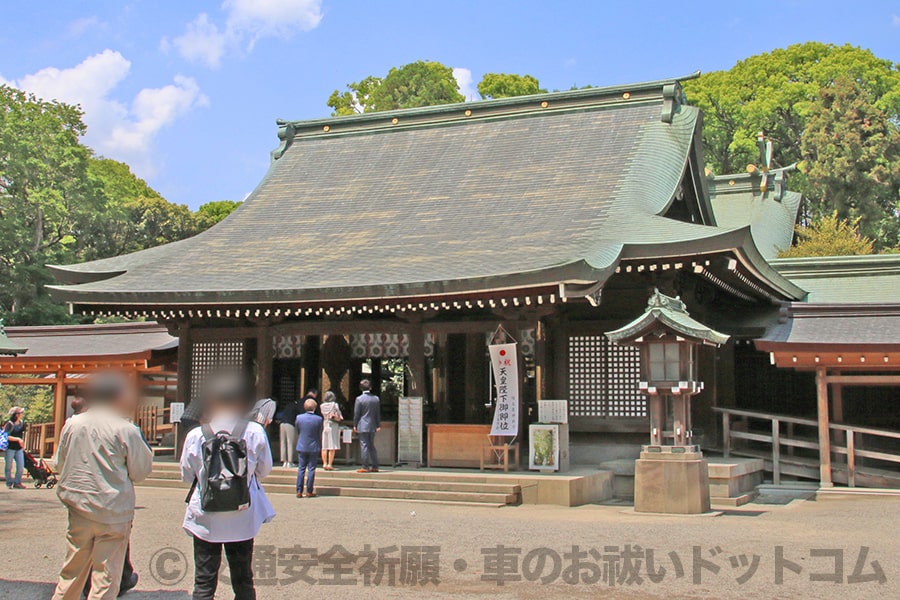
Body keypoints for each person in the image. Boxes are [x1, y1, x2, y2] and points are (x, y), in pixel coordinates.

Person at [51, 372, 153, 600]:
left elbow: (59, 463)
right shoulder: (125, 429)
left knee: (72, 572)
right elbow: (141, 471)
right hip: (112, 509)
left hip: (78, 505)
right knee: (105, 577)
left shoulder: (72, 424)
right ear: (118, 397)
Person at [181, 372, 275, 600]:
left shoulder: (196, 435)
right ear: (240, 402)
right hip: (242, 512)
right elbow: (265, 469)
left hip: (205, 513)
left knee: (204, 581)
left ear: (213, 401)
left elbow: (186, 474)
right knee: (243, 579)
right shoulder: (254, 431)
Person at [294, 398, 323, 498]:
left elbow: (297, 430)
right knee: (311, 469)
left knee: (301, 469)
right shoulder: (319, 419)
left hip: (302, 445)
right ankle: (309, 490)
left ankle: (299, 490)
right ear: (315, 408)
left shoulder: (299, 418)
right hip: (313, 446)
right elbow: (319, 432)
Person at [353, 380, 381, 473]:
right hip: (372, 425)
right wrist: (378, 424)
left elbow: (357, 414)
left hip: (362, 425)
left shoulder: (359, 399)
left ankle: (365, 466)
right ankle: (375, 466)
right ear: (370, 388)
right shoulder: (376, 399)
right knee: (371, 445)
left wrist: (355, 424)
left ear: (360, 388)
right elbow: (377, 413)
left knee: (364, 445)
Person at [278, 392, 307, 468]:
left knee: (283, 442)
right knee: (290, 442)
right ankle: (290, 461)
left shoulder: (287, 405)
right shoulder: (296, 407)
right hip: (290, 424)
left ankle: (284, 461)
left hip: (282, 423)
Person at [319, 391, 343, 471]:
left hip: (325, 424)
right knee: (332, 445)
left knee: (324, 445)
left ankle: (324, 463)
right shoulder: (334, 405)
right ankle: (329, 464)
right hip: (333, 425)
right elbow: (339, 415)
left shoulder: (322, 406)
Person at [4, 406, 26, 489]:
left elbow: (22, 435)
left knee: (21, 466)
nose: (22, 414)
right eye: (21, 413)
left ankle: (17, 482)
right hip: (10, 448)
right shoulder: (9, 424)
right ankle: (9, 482)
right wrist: (17, 439)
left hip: (19, 448)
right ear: (16, 415)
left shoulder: (22, 423)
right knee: (8, 466)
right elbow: (6, 436)